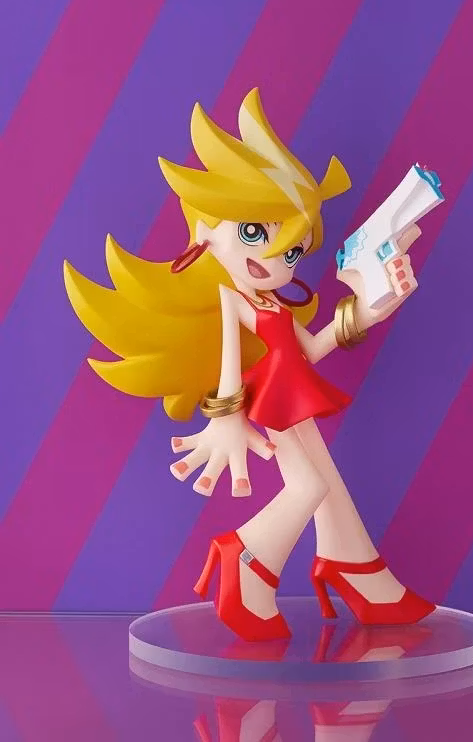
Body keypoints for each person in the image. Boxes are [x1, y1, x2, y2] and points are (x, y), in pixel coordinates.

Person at [64, 88, 435, 643]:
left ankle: (355, 567)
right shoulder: (232, 300)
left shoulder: (274, 304)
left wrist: (366, 310)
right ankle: (246, 558)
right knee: (308, 486)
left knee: (326, 482)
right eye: (255, 234)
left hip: (292, 390)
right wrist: (226, 420)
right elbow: (230, 365)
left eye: (292, 249)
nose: (276, 257)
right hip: (270, 399)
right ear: (205, 235)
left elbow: (308, 350)